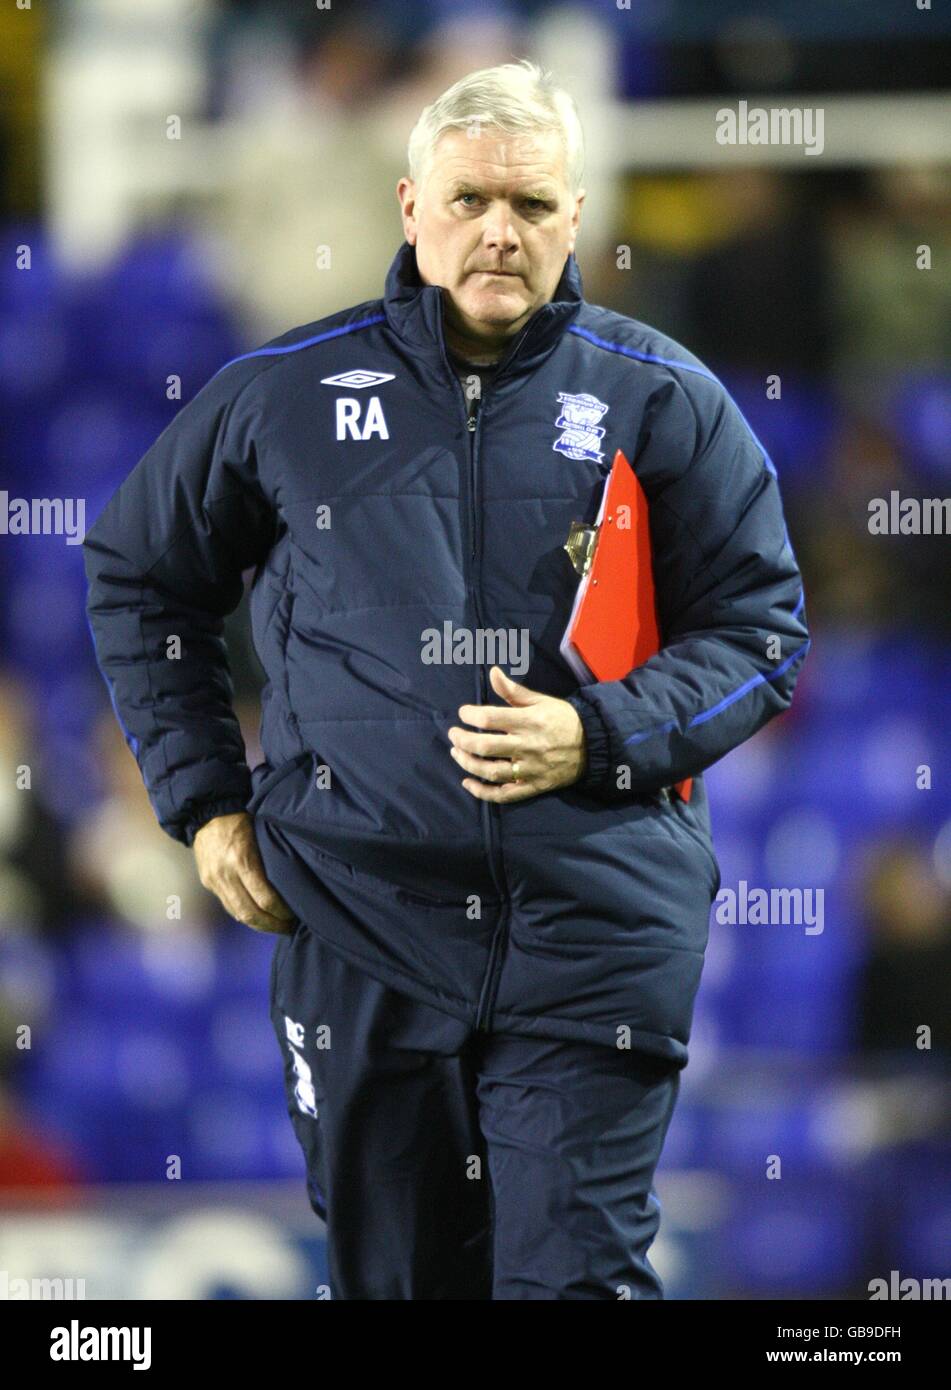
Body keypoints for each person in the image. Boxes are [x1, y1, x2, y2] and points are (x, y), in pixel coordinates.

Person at [83, 60, 809, 1299]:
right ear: (412, 206)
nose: (500, 231)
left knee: (572, 1283)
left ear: (576, 219)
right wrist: (203, 804)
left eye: (532, 206)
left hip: (594, 929)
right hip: (357, 921)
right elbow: (140, 576)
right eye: (472, 199)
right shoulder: (281, 394)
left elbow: (762, 631)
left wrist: (595, 735)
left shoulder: (667, 398)